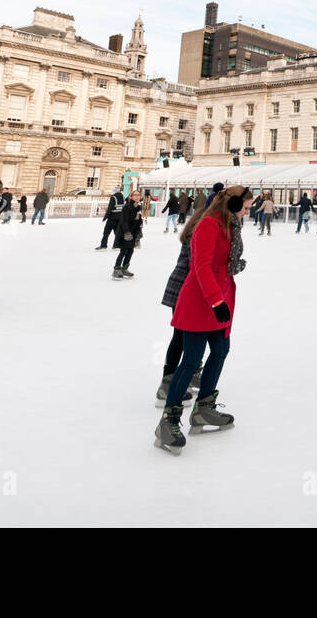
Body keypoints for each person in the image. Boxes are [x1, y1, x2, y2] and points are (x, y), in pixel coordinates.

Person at [156, 188, 248, 453]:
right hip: (201, 299)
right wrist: (215, 300)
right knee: (192, 359)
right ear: (232, 203)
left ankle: (203, 409)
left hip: (221, 296)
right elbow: (201, 266)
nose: (247, 211)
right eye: (245, 207)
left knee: (220, 351)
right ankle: (168, 421)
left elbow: (225, 262)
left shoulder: (232, 226)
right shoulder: (208, 224)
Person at [112, 190, 144, 279]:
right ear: (131, 197)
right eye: (135, 195)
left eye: (139, 195)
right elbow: (123, 221)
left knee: (130, 251)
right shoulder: (127, 207)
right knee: (123, 251)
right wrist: (127, 232)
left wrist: (139, 231)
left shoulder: (138, 207)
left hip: (134, 232)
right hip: (125, 232)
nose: (138, 196)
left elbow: (139, 220)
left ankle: (124, 268)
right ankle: (116, 269)